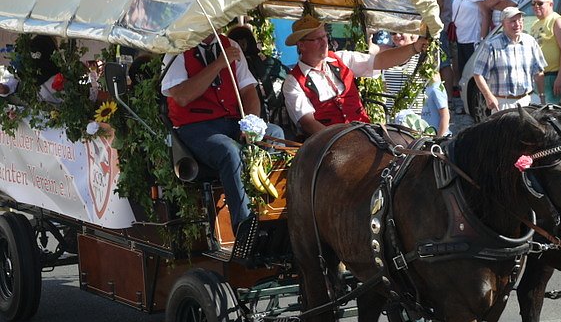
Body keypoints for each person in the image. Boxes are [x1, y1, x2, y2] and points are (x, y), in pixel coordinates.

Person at [160, 31, 277, 232]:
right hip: (195, 127)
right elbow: (182, 96)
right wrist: (218, 64)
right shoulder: (176, 49)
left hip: (231, 121)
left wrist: (252, 121)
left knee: (276, 136)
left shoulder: (230, 44)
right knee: (230, 152)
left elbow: (248, 90)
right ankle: (244, 229)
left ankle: (275, 216)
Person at [281, 15, 429, 135]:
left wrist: (414, 48)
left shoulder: (342, 58)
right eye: (317, 39)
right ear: (301, 45)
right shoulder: (292, 81)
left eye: (325, 36)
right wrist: (339, 142)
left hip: (365, 132)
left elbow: (380, 61)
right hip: (329, 144)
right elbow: (308, 122)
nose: (324, 42)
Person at [472, 6, 547, 113]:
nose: (517, 24)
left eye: (520, 20)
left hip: (528, 100)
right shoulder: (492, 45)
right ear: (503, 24)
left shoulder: (530, 42)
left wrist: (541, 96)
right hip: (503, 103)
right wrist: (488, 96)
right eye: (512, 21)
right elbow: (478, 74)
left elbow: (539, 72)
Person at [418, 0, 455, 96]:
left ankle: (447, 97)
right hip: (431, 24)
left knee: (444, 62)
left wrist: (431, 24)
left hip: (437, 25)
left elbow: (438, 1)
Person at [530, 0, 561, 105]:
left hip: (552, 76)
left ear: (551, 4)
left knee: (549, 113)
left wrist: (560, 77)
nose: (536, 6)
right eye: (533, 4)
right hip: (537, 77)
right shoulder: (535, 24)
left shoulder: (557, 21)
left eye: (540, 3)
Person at [451, 0, 490, 71]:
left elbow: (486, 14)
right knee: (463, 70)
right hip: (461, 37)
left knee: (473, 71)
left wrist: (482, 39)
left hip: (473, 38)